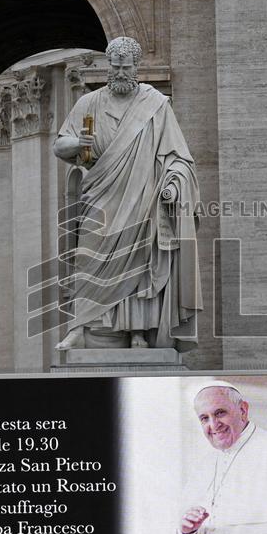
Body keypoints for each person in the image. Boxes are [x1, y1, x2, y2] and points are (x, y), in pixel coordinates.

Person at [53, 36, 202, 351]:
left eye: (126, 67)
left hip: (142, 198)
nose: (120, 73)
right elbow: (60, 145)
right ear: (109, 67)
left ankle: (137, 332)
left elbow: (178, 158)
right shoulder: (89, 104)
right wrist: (78, 144)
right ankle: (80, 326)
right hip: (100, 195)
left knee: (138, 264)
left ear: (137, 68)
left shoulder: (155, 105)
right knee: (89, 259)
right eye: (116, 67)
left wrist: (174, 184)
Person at [176, 382, 267, 534]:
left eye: (220, 413)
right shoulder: (203, 465)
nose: (213, 425)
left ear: (243, 410)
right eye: (204, 418)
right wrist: (187, 532)